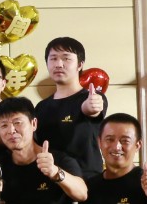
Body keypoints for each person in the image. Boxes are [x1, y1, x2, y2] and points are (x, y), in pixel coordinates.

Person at [34, 37, 107, 174]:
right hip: (50, 178)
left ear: (80, 65)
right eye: (53, 59)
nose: (59, 64)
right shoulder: (41, 107)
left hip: (86, 178)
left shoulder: (91, 98)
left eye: (66, 58)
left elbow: (90, 109)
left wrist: (91, 106)